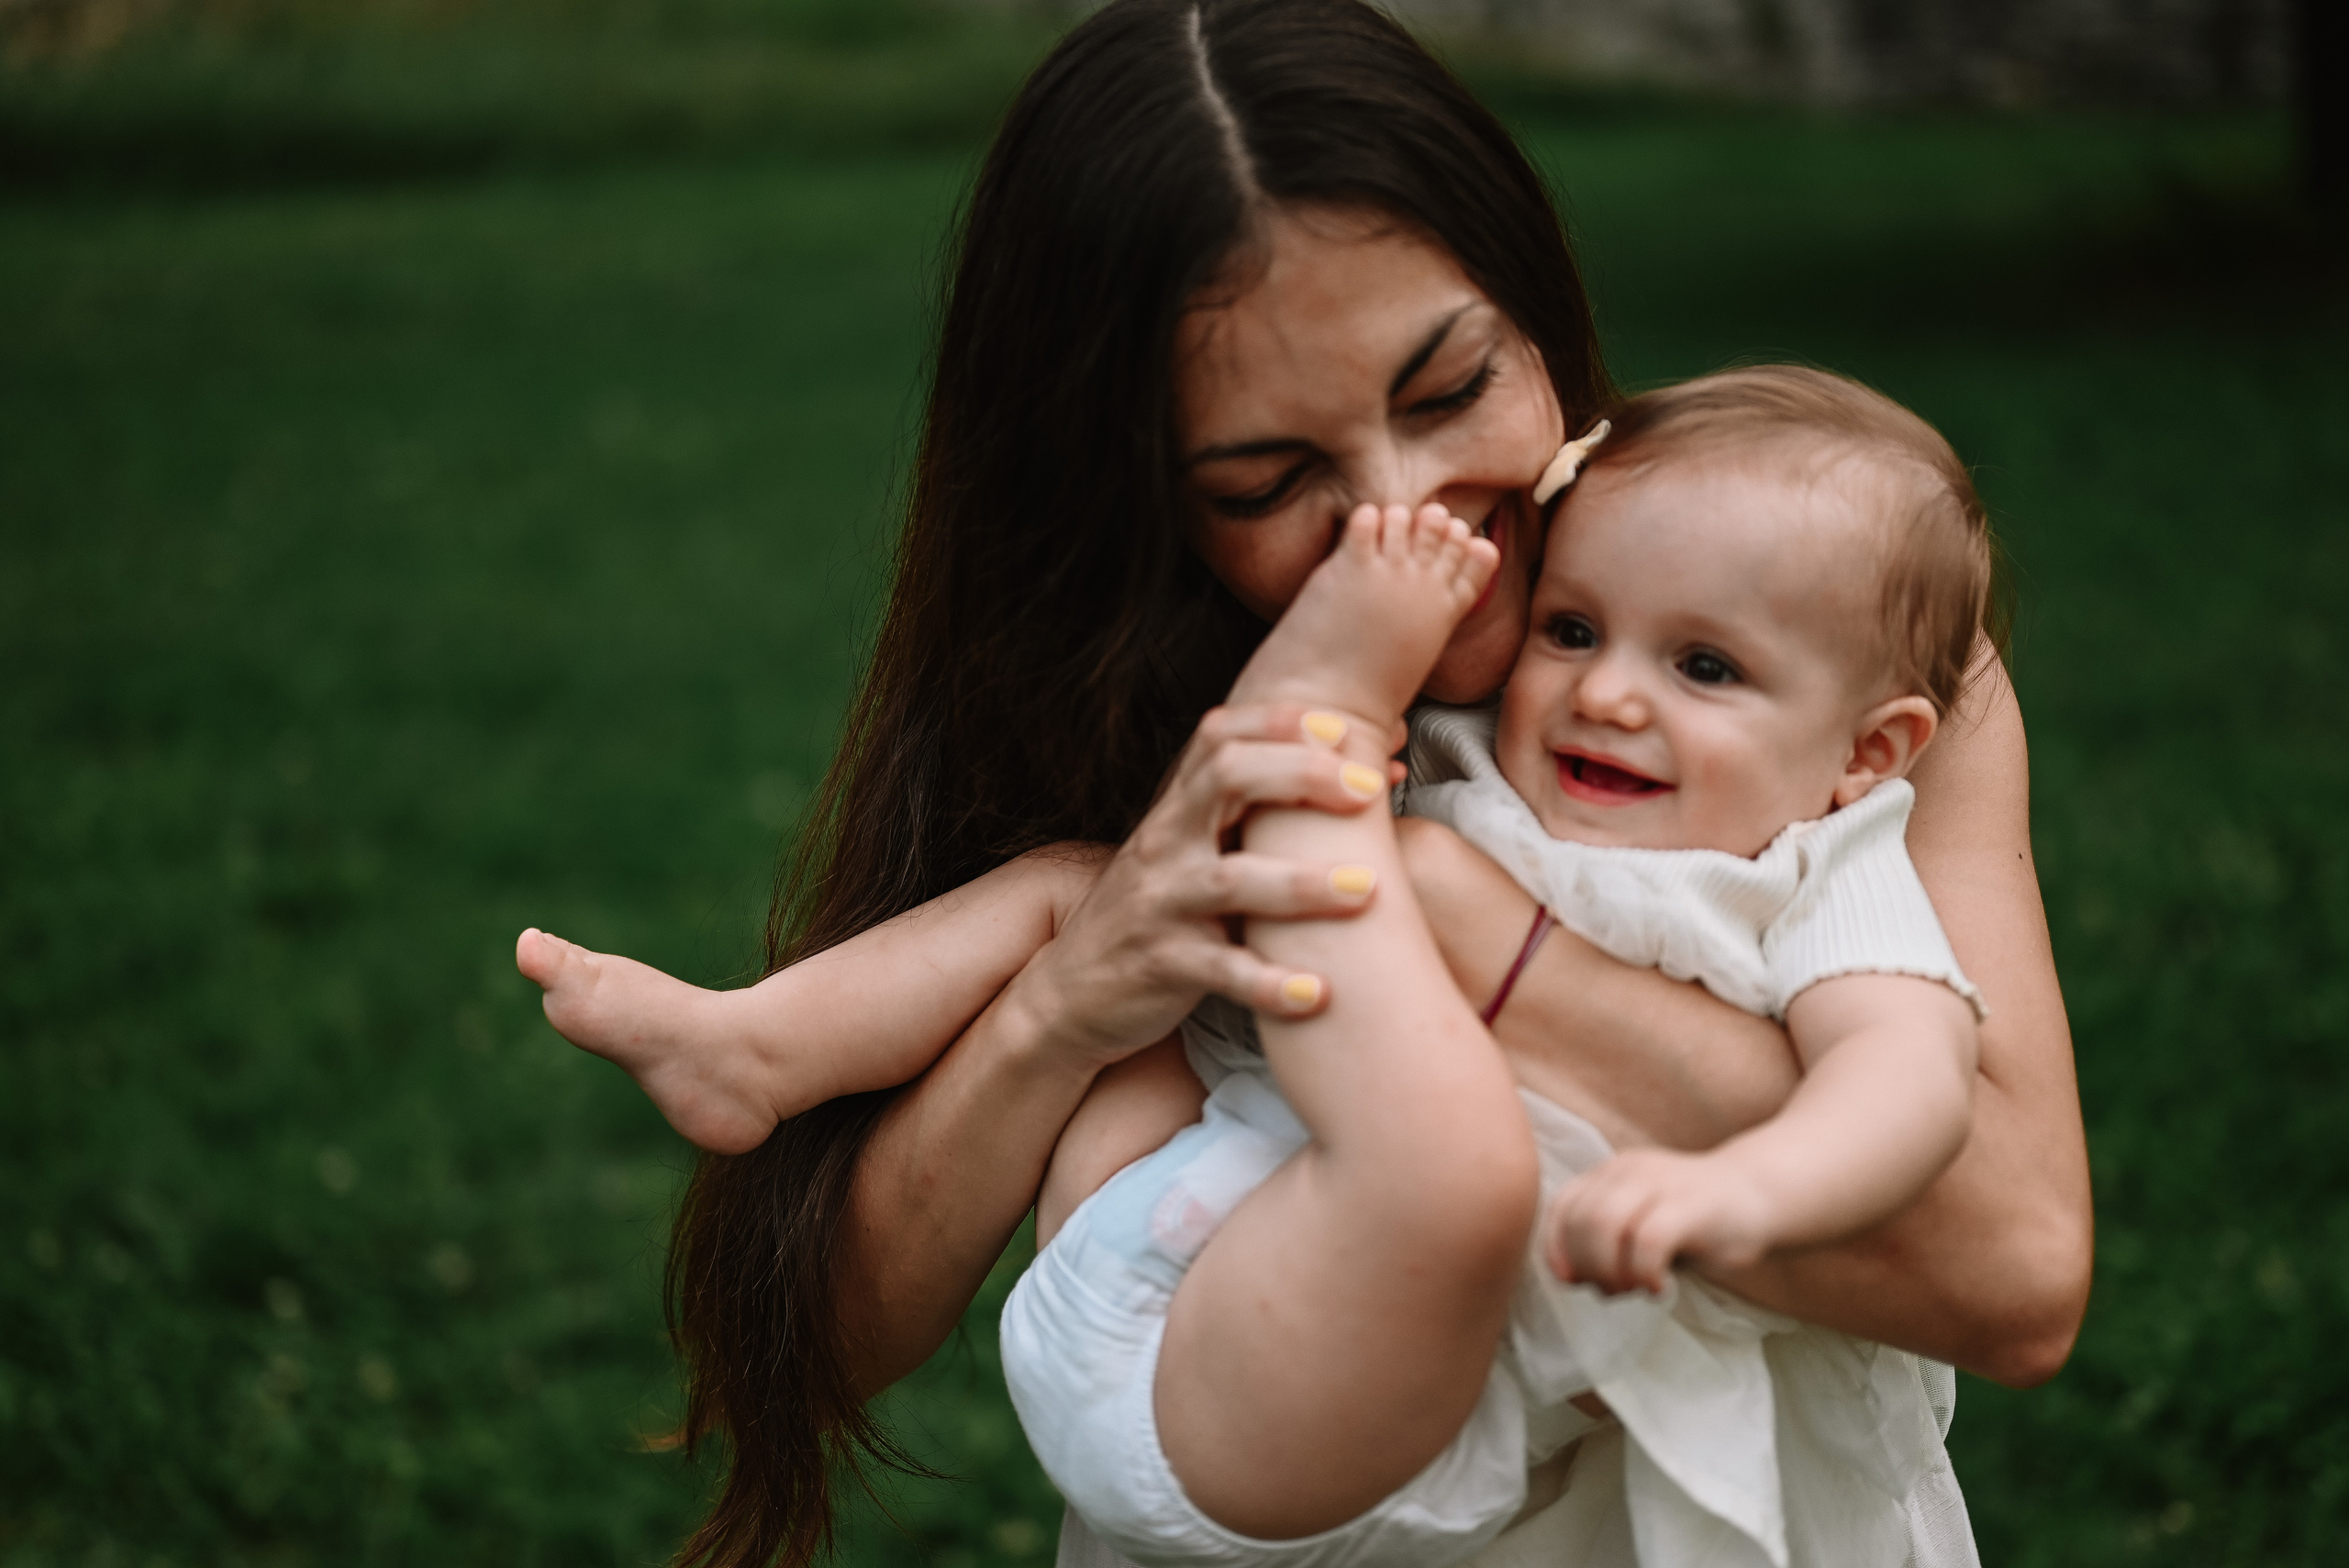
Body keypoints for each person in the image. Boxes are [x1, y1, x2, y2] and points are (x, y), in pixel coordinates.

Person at [520, 5, 2088, 1565]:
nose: (1410, 514)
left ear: (1533, 311)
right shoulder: (1155, 709)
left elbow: (2012, 1273)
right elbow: (833, 1331)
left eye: (1449, 388)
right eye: (1274, 480)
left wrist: (1461, 924)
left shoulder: (1842, 651)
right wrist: (1066, 1006)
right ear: (1147, 501)